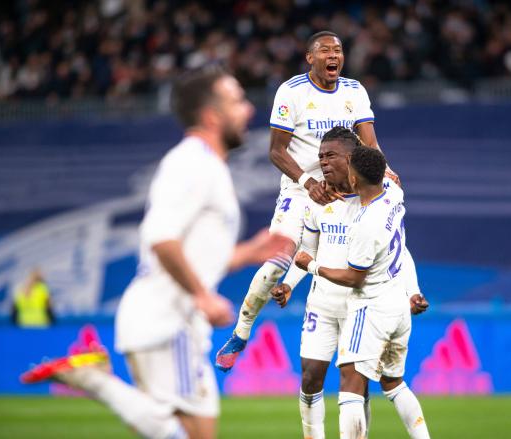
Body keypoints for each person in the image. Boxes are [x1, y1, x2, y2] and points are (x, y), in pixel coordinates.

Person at [21, 67, 291, 439]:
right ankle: (92, 380)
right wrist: (202, 296)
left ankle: (92, 378)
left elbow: (195, 256)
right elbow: (162, 239)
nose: (248, 110)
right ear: (212, 115)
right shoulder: (193, 164)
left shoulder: (205, 165)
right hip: (169, 321)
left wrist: (249, 253)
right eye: (237, 101)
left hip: (170, 321)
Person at [216, 30, 399, 371]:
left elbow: (370, 142)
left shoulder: (354, 91)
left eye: (339, 50)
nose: (334, 55)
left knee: (341, 259)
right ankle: (241, 333)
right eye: (325, 50)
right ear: (310, 57)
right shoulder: (292, 92)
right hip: (301, 190)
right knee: (275, 263)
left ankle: (372, 332)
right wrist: (307, 180)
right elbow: (276, 150)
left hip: (346, 190)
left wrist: (385, 169)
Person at [270, 127, 428, 439]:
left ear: (351, 160)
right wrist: (289, 283)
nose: (323, 163)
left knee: (356, 383)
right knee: (311, 376)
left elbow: (400, 249)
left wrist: (413, 289)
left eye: (330, 156)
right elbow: (308, 252)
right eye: (319, 157)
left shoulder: (374, 198)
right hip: (324, 303)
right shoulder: (317, 201)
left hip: (360, 304)